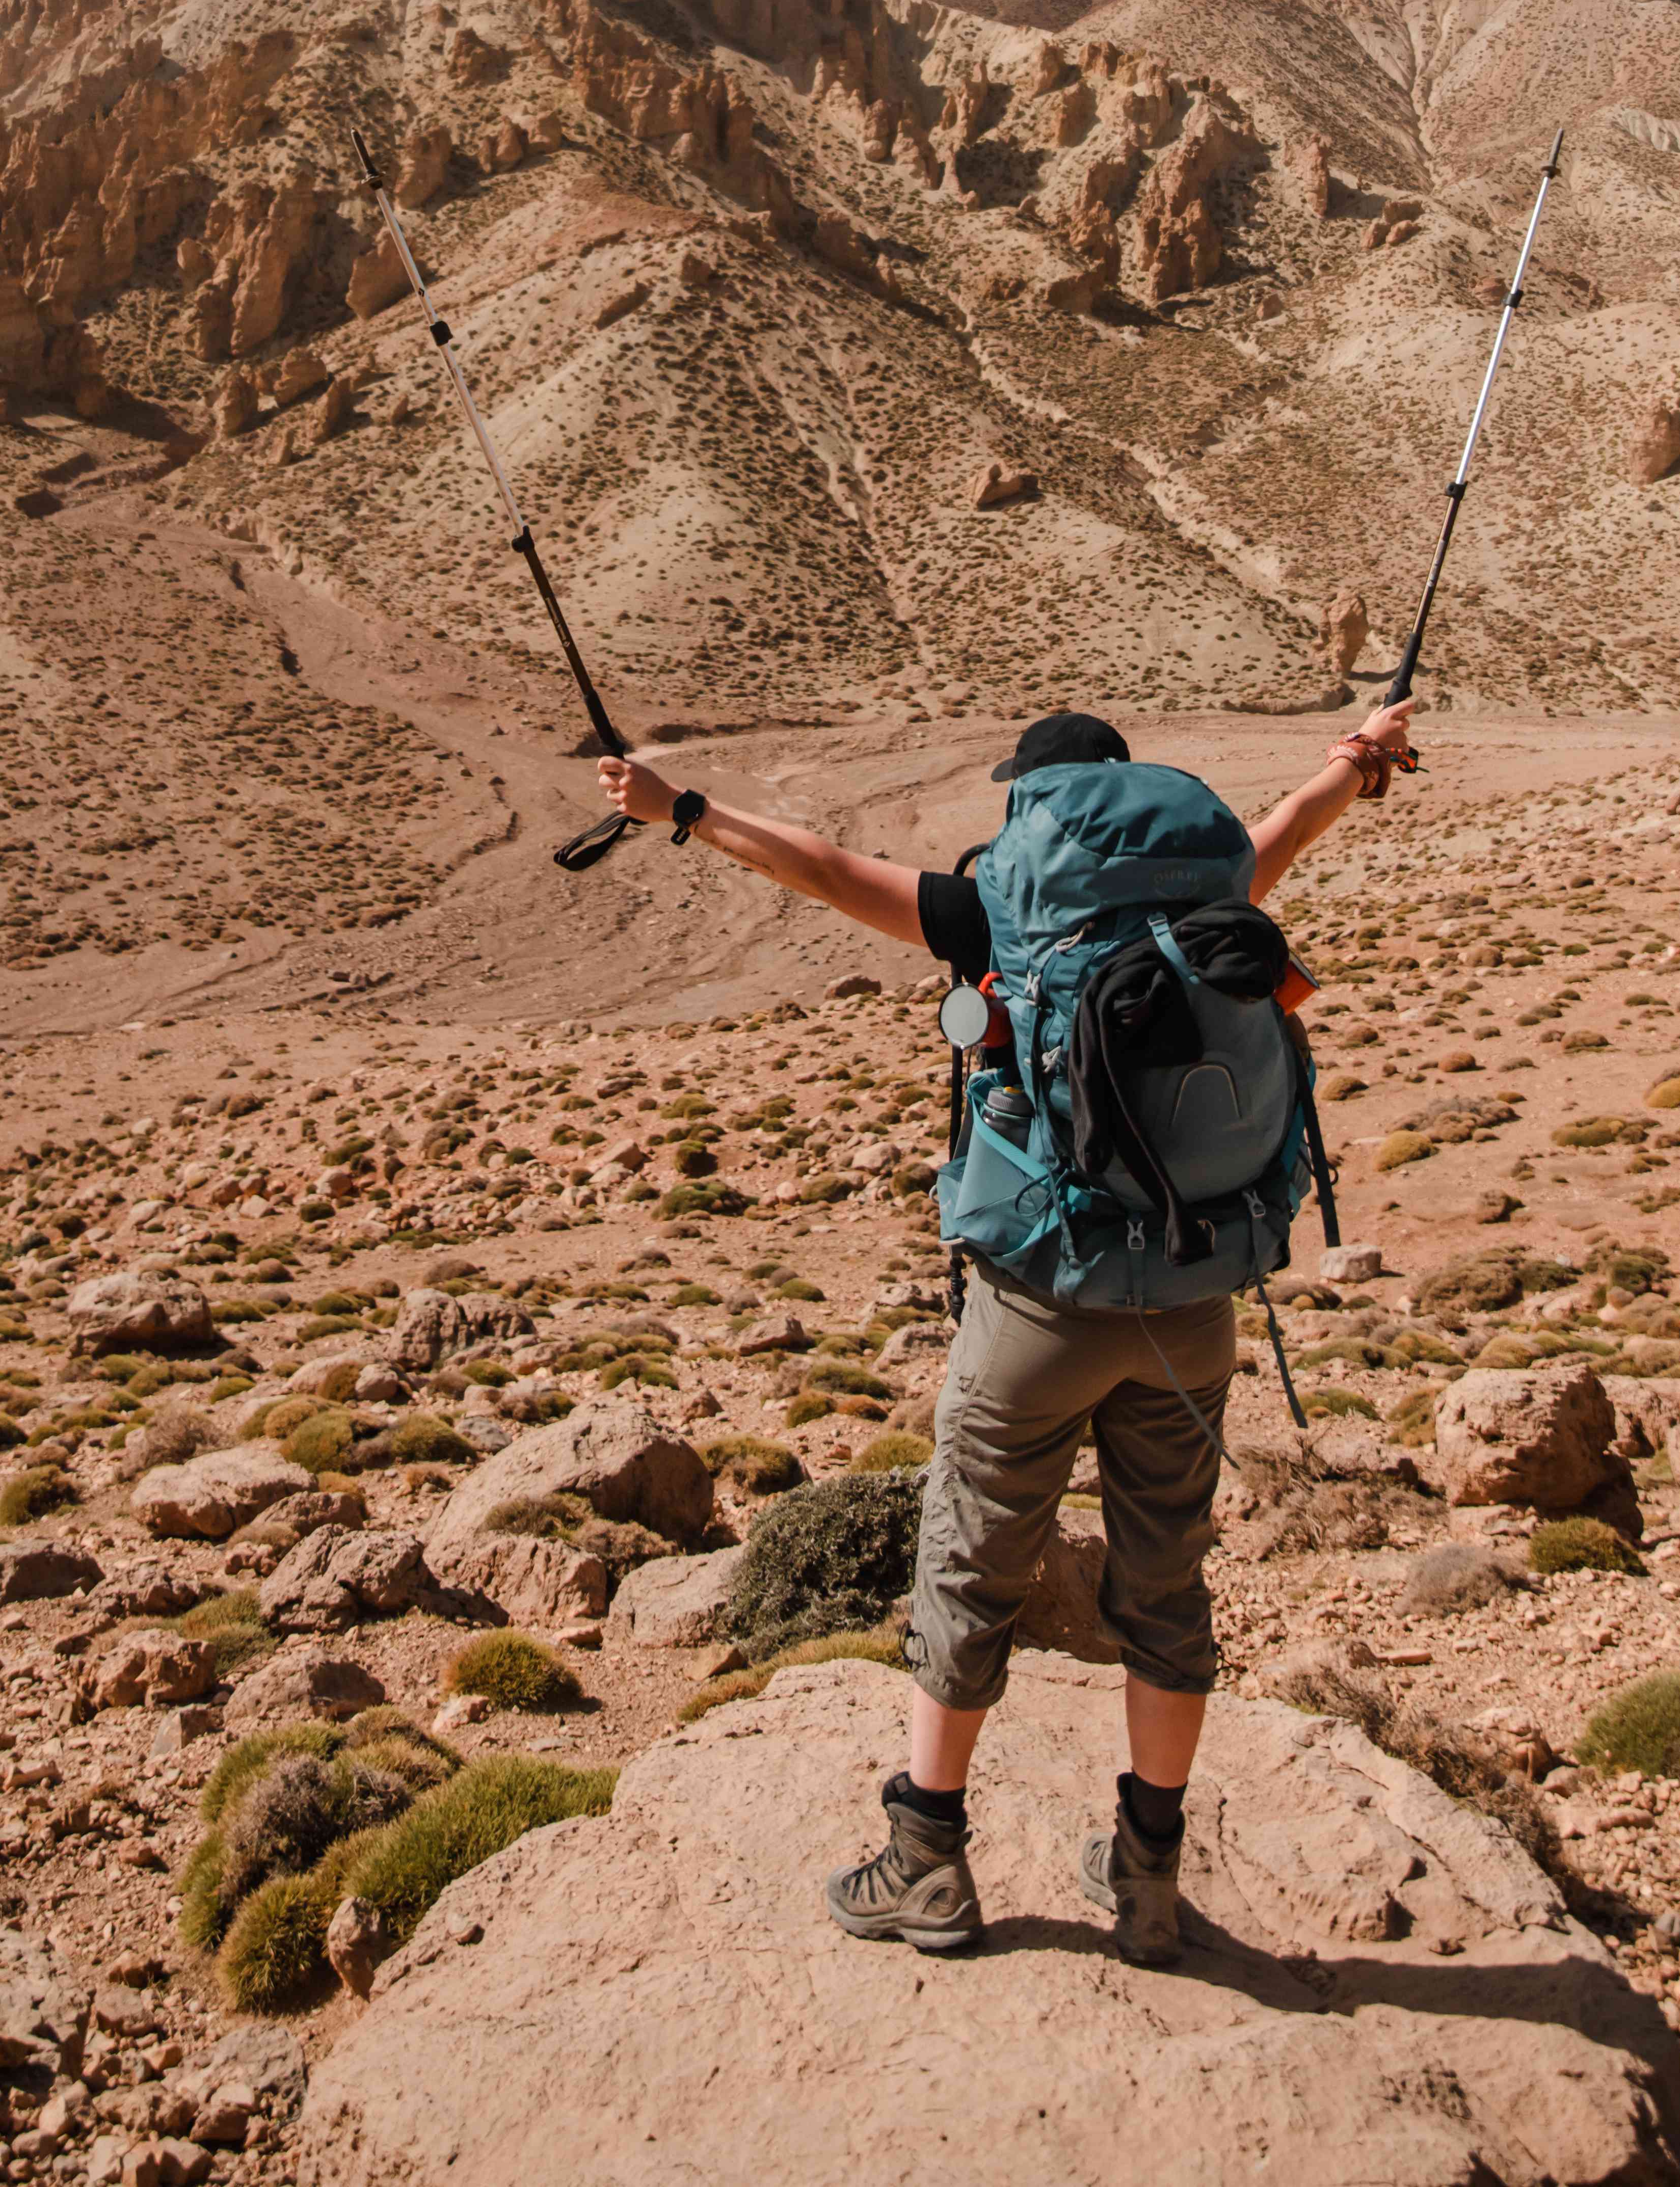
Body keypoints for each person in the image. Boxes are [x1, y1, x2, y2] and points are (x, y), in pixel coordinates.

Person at [592, 690, 1415, 1966]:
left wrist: (681, 808)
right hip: (1195, 1299)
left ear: (1039, 808)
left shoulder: (996, 910)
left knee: (970, 1565)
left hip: (1041, 1302)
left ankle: (927, 1862)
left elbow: (820, 868)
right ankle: (1148, 1881)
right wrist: (1361, 756)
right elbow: (1300, 816)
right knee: (1166, 1585)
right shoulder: (1214, 888)